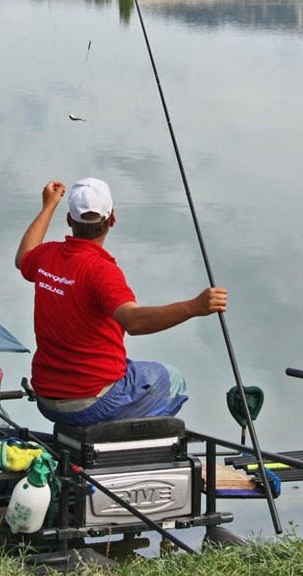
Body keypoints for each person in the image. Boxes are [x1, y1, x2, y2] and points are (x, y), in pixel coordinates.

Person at [14, 177, 227, 427]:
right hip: (89, 402)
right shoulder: (101, 271)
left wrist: (48, 205)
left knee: (132, 368)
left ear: (69, 220)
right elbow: (133, 321)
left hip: (47, 399)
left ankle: (91, 436)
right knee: (174, 380)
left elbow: (22, 258)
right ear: (112, 219)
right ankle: (124, 446)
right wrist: (195, 307)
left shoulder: (46, 256)